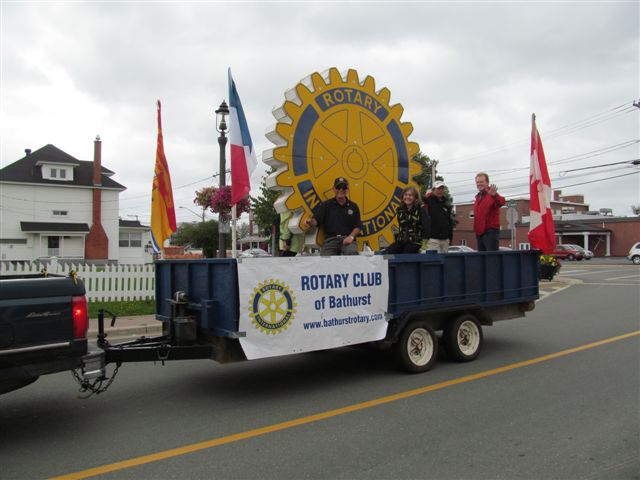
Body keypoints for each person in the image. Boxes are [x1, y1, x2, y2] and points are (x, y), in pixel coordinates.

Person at [305, 177, 361, 255]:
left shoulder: (353, 206)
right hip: (330, 240)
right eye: (338, 187)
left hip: (347, 239)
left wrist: (351, 237)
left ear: (347, 190)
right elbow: (316, 221)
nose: (341, 190)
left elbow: (358, 227)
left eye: (344, 187)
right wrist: (310, 221)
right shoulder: (326, 205)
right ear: (334, 189)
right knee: (325, 257)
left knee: (352, 252)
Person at [386, 186, 430, 254]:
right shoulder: (400, 210)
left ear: (415, 197)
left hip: (415, 242)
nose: (407, 197)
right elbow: (401, 226)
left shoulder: (421, 209)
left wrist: (424, 245)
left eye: (410, 195)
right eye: (405, 195)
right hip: (401, 241)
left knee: (405, 255)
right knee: (386, 254)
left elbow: (426, 227)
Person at [473, 172, 505, 251]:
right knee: (481, 257)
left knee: (491, 257)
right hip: (479, 233)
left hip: (490, 232)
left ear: (487, 183)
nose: (479, 184)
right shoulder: (478, 197)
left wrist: (495, 196)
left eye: (481, 182)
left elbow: (501, 202)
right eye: (477, 182)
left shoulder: (491, 193)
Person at [421, 181, 453, 253]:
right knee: (433, 260)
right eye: (438, 188)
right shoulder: (427, 201)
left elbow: (449, 222)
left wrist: (450, 236)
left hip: (445, 239)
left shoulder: (446, 205)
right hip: (432, 239)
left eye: (442, 188)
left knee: (444, 260)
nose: (440, 190)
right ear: (433, 190)